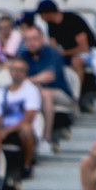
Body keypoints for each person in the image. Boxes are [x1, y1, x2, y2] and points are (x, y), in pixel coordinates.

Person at [19, 25, 72, 153]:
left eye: (34, 39)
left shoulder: (52, 53)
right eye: (27, 40)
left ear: (42, 38)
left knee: (44, 93)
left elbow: (49, 76)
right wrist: (36, 79)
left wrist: (29, 80)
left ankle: (46, 139)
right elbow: (18, 80)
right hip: (34, 92)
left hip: (60, 93)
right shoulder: (22, 56)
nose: (31, 43)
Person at [36, 0, 96, 90]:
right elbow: (52, 46)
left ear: (48, 14)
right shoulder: (51, 25)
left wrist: (62, 53)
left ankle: (77, 92)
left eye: (42, 15)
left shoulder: (74, 20)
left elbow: (84, 48)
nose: (41, 18)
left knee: (76, 61)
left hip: (90, 52)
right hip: (69, 53)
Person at [0, 57, 41, 181]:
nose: (17, 73)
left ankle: (27, 165)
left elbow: (29, 117)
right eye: (14, 70)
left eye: (20, 70)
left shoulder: (31, 90)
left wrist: (7, 131)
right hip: (3, 128)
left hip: (19, 130)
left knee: (26, 129)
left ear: (25, 73)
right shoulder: (0, 93)